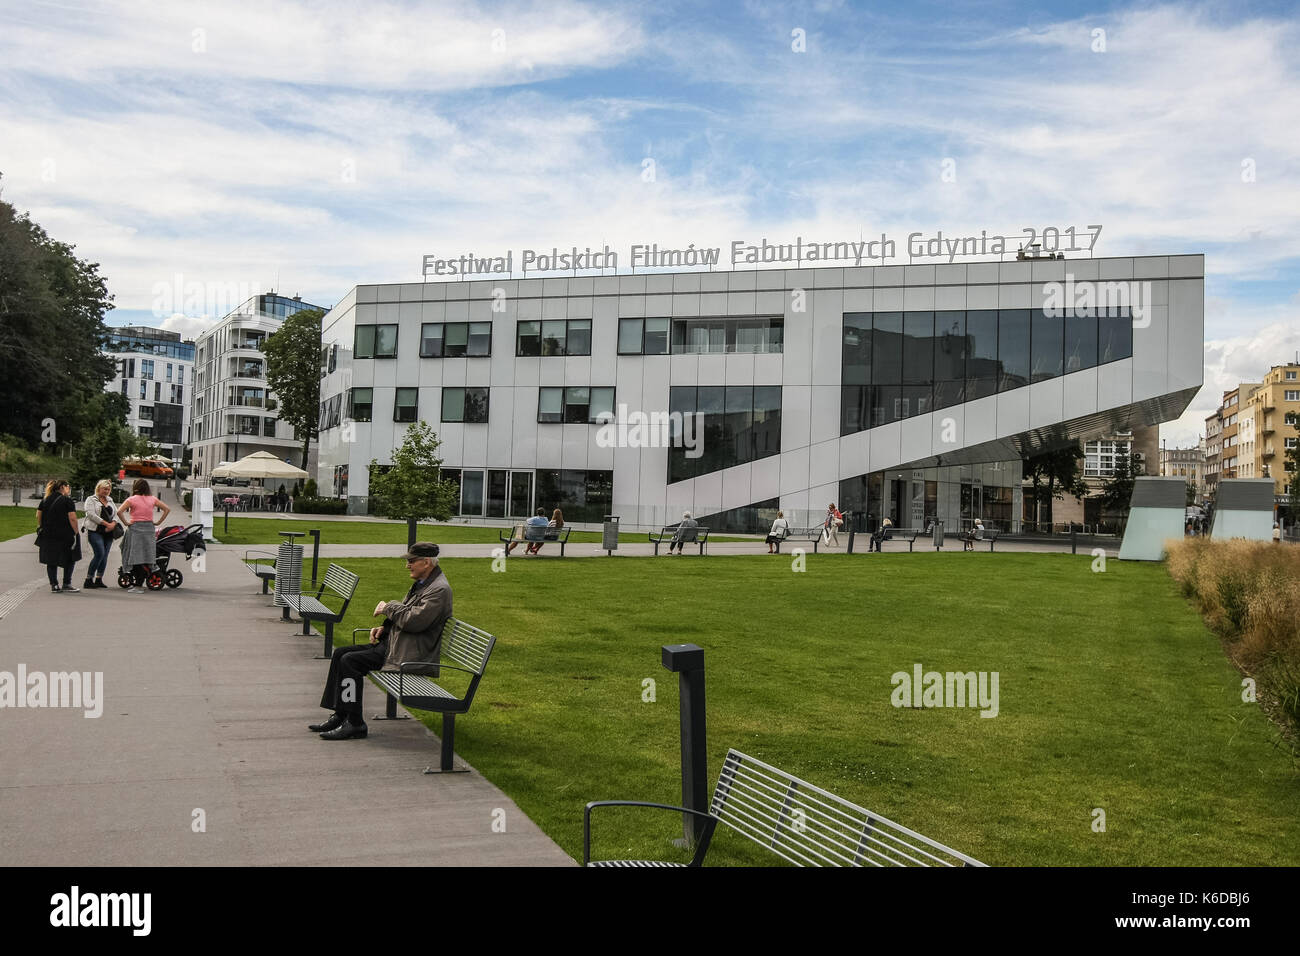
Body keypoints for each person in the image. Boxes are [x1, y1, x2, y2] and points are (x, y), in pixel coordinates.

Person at [312, 542, 453, 740]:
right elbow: (406, 614)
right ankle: (341, 714)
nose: (407, 566)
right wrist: (384, 629)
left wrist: (388, 607)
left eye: (411, 561)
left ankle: (355, 723)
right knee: (340, 653)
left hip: (409, 655)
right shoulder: (424, 583)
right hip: (396, 646)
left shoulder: (439, 590)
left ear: (426, 562)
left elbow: (413, 621)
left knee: (349, 661)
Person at [117, 478, 171, 592]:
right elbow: (167, 509)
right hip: (149, 529)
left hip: (135, 529)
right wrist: (158, 522)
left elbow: (119, 511)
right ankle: (142, 579)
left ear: (135, 487)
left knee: (135, 556)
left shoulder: (131, 499)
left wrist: (126, 523)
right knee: (146, 555)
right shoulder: (152, 499)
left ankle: (138, 585)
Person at [37, 479, 81, 593]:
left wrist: (42, 526)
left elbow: (38, 514)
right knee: (70, 558)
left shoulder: (45, 499)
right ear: (62, 487)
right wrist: (76, 532)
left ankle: (54, 585)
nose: (69, 489)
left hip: (48, 534)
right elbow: (72, 518)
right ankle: (66, 583)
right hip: (65, 534)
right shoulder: (67, 500)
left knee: (51, 559)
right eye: (68, 487)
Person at [82, 479, 120, 589]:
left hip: (108, 532)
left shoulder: (110, 500)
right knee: (99, 553)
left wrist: (113, 523)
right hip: (95, 531)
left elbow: (116, 513)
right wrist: (105, 524)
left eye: (108, 489)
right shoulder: (91, 499)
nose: (106, 491)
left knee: (105, 556)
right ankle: (88, 579)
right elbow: (91, 514)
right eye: (104, 489)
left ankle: (99, 579)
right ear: (99, 488)